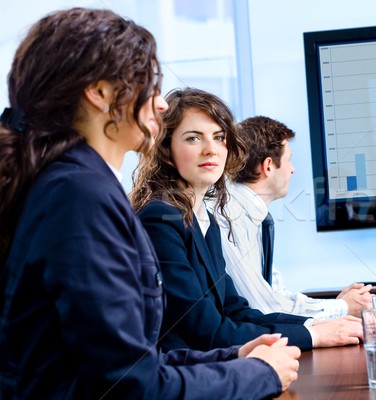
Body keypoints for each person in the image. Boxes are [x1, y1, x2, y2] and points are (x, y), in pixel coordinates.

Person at [0, 8, 300, 399]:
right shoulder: (78, 196)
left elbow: (135, 363)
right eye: (149, 84)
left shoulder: (80, 185)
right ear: (101, 93)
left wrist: (236, 357)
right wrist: (260, 375)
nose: (160, 104)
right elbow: (131, 386)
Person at [130, 87, 363, 353]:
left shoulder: (205, 220)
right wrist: (313, 336)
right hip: (182, 376)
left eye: (219, 137)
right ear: (166, 149)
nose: (211, 150)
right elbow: (207, 331)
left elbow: (236, 310)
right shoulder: (160, 218)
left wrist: (316, 325)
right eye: (194, 138)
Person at [215, 116, 372, 319]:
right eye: (288, 160)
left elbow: (276, 294)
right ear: (268, 166)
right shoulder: (231, 217)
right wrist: (341, 307)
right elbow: (264, 307)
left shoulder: (255, 216)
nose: (292, 168)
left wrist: (337, 305)